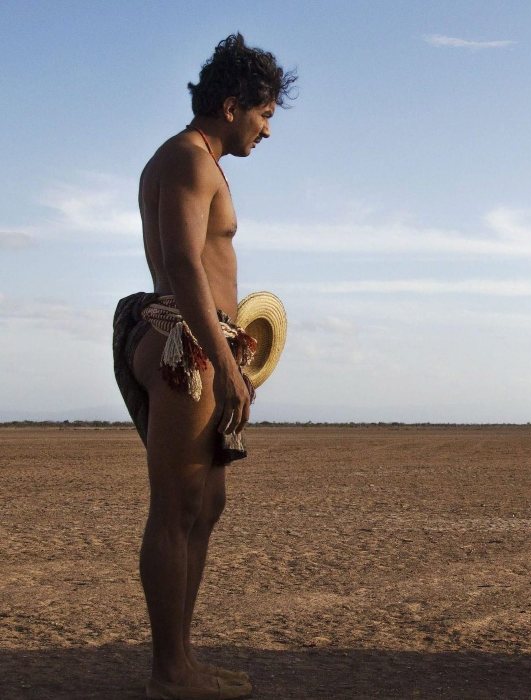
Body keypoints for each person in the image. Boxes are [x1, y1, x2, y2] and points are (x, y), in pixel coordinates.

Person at [112, 33, 296, 700]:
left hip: (200, 340)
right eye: (265, 114)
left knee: (205, 504)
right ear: (231, 104)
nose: (268, 130)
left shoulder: (195, 160)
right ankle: (169, 672)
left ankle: (181, 660)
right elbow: (187, 263)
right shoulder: (189, 161)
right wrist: (221, 359)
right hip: (185, 347)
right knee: (176, 507)